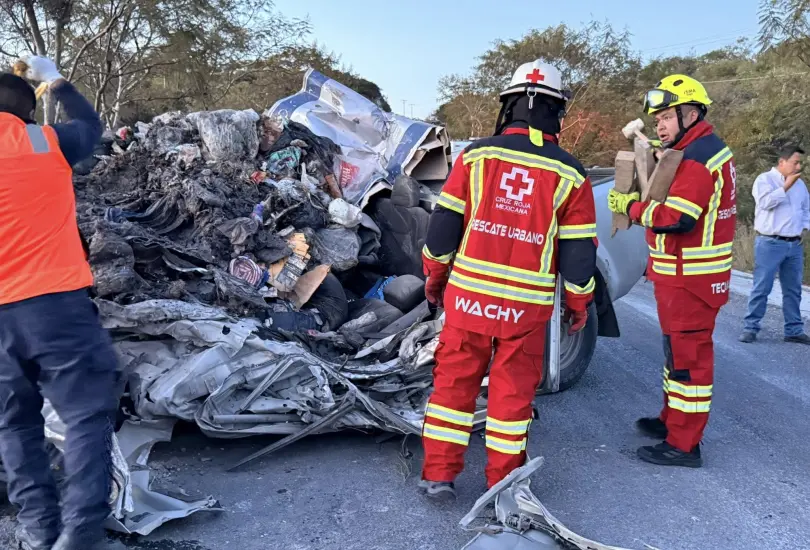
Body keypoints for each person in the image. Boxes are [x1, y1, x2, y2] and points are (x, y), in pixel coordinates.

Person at [418, 60, 598, 499]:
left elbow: (443, 232)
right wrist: (578, 306)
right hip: (526, 309)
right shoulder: (570, 174)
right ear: (557, 111)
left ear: (509, 105)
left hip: (468, 301)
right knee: (511, 399)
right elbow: (578, 256)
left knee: (453, 389)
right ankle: (503, 485)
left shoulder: (475, 156)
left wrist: (434, 279)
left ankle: (438, 476)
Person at [0, 56, 123, 550]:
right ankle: (80, 534)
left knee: (15, 424)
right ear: (29, 113)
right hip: (56, 307)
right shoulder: (40, 142)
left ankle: (38, 530)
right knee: (86, 416)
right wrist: (58, 82)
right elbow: (91, 127)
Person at [607, 74, 736, 468]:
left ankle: (683, 445)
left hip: (690, 282)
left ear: (691, 113)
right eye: (657, 119)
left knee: (688, 365)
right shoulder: (694, 151)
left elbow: (676, 218)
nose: (659, 125)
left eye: (665, 117)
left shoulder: (697, 159)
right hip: (682, 279)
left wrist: (629, 207)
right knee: (675, 357)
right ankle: (671, 421)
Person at [739, 145, 810, 345]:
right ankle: (750, 328)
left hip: (794, 244)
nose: (798, 167)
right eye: (795, 162)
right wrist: (786, 186)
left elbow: (806, 209)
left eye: (800, 163)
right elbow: (765, 204)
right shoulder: (764, 180)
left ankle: (794, 330)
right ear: (782, 162)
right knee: (762, 287)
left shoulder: (800, 185)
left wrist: (805, 228)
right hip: (770, 242)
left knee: (793, 289)